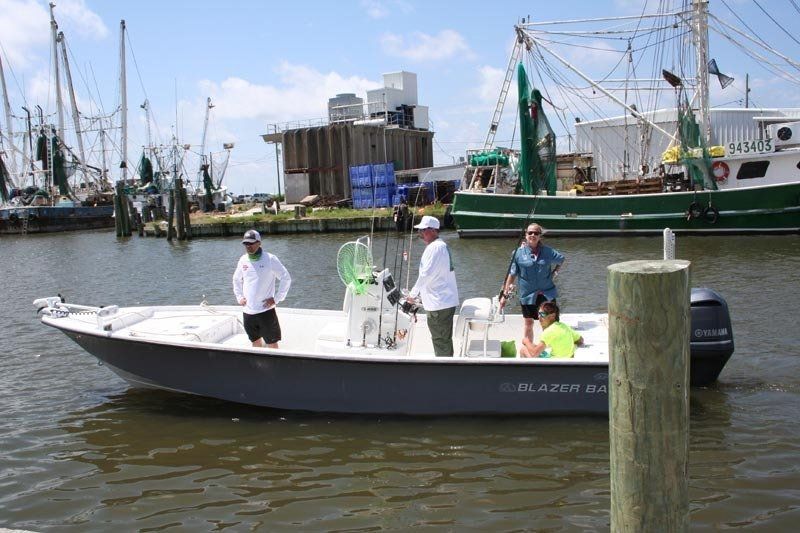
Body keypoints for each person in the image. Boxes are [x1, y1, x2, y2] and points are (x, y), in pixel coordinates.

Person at [499, 222, 565, 343]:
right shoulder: (517, 253)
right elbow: (512, 275)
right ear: (526, 235)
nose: (533, 235)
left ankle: (551, 349)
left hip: (547, 293)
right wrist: (504, 295)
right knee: (528, 323)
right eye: (530, 232)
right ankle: (528, 350)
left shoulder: (548, 252)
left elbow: (561, 259)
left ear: (540, 236)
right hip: (527, 295)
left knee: (549, 323)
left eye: (536, 233)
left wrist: (555, 272)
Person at [407, 215, 459, 357]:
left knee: (440, 340)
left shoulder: (434, 248)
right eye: (420, 230)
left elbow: (426, 274)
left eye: (424, 230)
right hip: (443, 301)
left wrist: (412, 295)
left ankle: (444, 368)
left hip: (439, 304)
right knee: (443, 339)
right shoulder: (441, 246)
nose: (421, 233)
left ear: (434, 230)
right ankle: (447, 364)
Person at [232, 229, 292, 348]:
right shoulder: (243, 259)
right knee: (255, 342)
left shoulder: (270, 259)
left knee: (272, 343)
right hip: (248, 311)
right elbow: (236, 279)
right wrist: (239, 297)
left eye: (251, 243)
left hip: (266, 311)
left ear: (259, 243)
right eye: (246, 243)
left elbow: (286, 278)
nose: (248, 246)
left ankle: (274, 361)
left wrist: (277, 299)